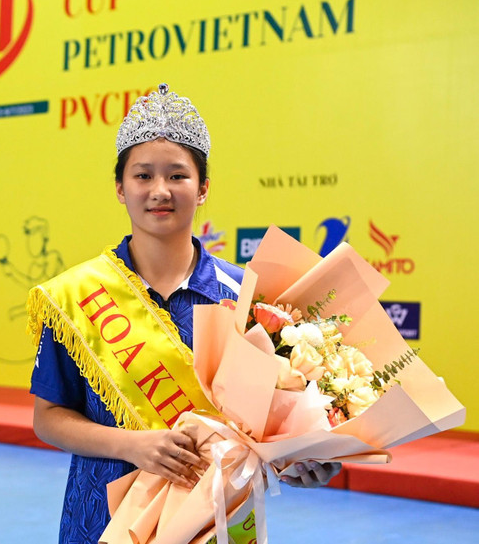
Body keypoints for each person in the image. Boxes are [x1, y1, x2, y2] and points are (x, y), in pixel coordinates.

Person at [27, 83, 340, 544]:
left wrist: (301, 461)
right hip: (104, 519)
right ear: (119, 188)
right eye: (142, 176)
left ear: (203, 188)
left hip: (215, 518)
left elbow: (268, 424)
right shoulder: (78, 294)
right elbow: (48, 416)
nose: (160, 191)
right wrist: (133, 446)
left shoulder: (248, 296)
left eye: (177, 176)